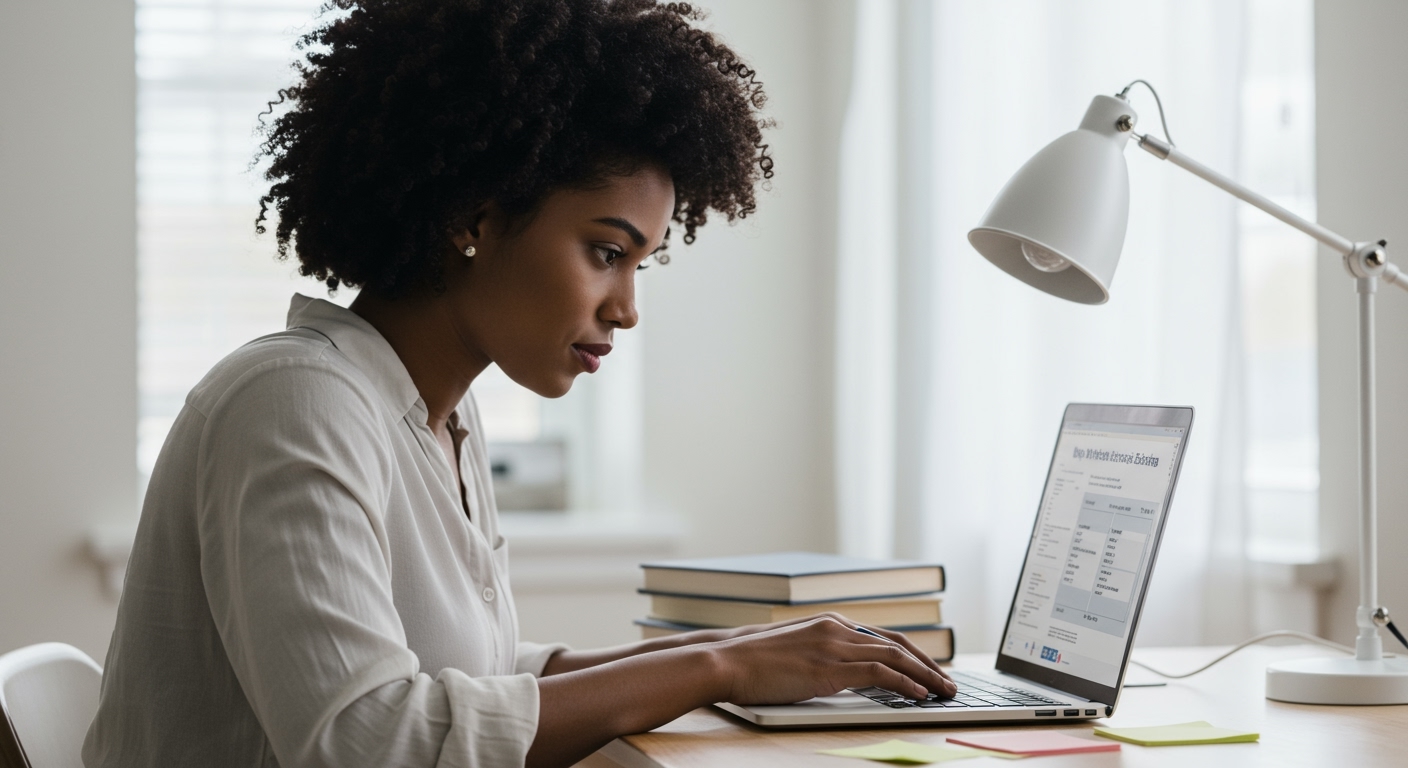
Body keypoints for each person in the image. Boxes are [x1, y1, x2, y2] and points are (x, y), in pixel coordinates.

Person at [83, 1, 955, 766]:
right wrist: (715, 667)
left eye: (642, 264)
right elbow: (371, 742)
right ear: (475, 216)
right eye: (607, 253)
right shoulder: (297, 402)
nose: (626, 310)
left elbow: (476, 677)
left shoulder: (433, 419)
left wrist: (739, 651)